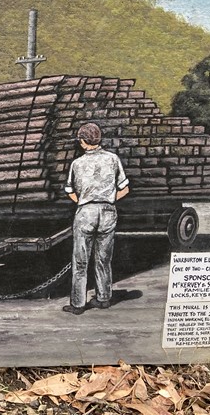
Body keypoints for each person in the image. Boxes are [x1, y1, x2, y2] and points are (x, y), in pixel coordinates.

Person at [63, 122, 130, 315]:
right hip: (108, 211)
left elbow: (69, 190)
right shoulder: (113, 159)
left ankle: (78, 304)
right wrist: (108, 200)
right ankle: (103, 298)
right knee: (104, 259)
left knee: (80, 261)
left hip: (86, 212)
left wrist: (82, 202)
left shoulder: (77, 163)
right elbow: (125, 189)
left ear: (83, 142)